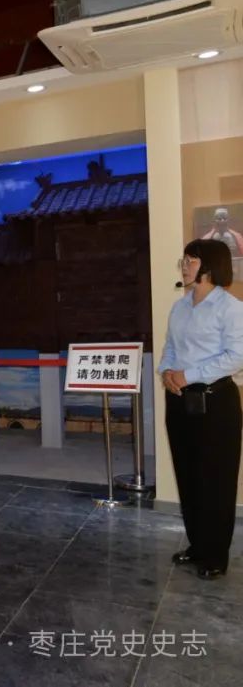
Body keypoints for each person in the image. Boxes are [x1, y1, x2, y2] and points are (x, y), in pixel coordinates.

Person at [159, 239, 243, 581]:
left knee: (216, 481)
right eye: (184, 259)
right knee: (188, 476)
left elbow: (236, 357)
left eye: (190, 260)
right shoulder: (180, 306)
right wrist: (167, 372)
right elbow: (169, 347)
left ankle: (215, 555)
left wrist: (188, 374)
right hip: (180, 401)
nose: (184, 265)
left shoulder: (230, 307)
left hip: (215, 403)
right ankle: (197, 544)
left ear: (209, 266)